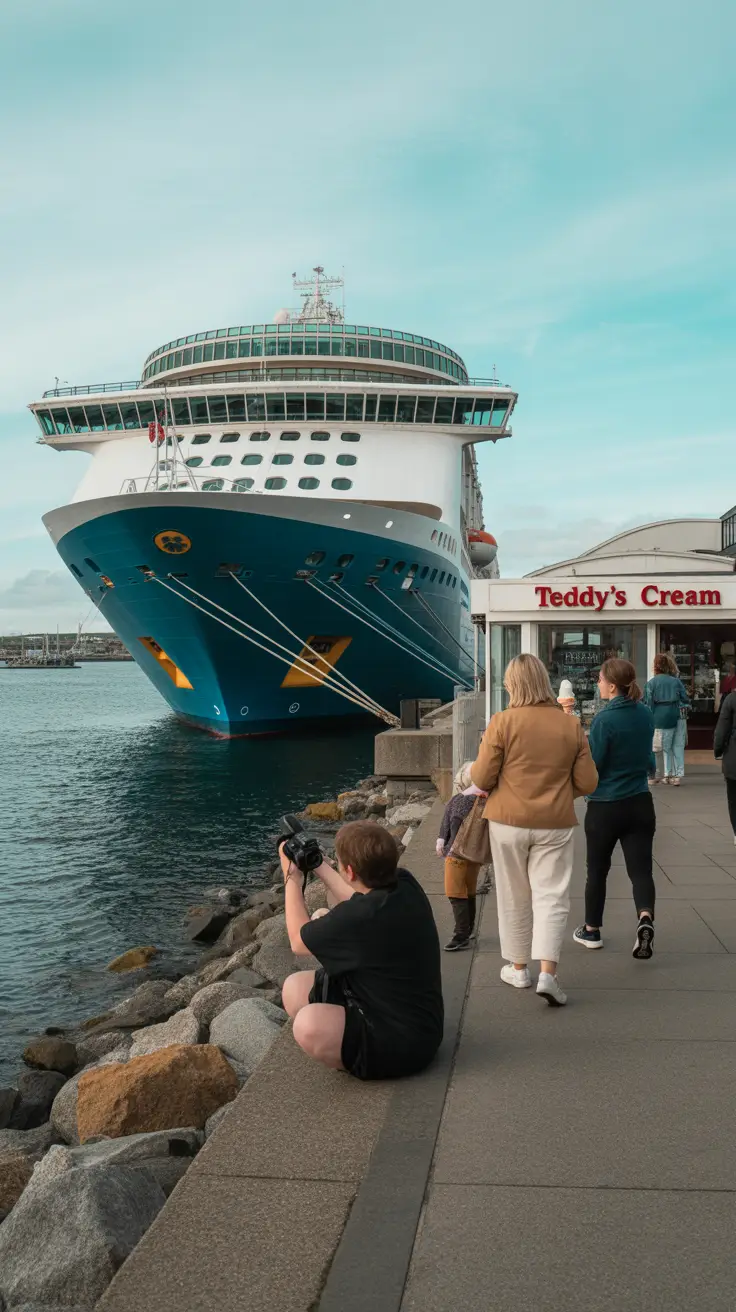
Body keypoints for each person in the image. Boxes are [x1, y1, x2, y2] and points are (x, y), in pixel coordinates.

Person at [469, 653, 598, 1006]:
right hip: (555, 822)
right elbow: (588, 782)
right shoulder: (570, 725)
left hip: (507, 822)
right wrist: (558, 793)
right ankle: (548, 974)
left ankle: (519, 967)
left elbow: (481, 778)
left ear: (513, 685)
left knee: (514, 894)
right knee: (552, 896)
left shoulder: (502, 722)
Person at [280, 820, 443, 1080]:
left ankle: (361, 1058)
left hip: (404, 1046)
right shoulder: (404, 882)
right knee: (293, 990)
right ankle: (347, 1042)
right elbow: (353, 893)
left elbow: (298, 941)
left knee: (307, 1025)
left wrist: (292, 877)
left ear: (350, 871)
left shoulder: (358, 918)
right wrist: (318, 864)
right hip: (418, 1022)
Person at [574, 658, 657, 959]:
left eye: (599, 679)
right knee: (641, 871)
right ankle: (645, 917)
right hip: (639, 803)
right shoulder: (645, 714)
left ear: (611, 685)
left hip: (605, 807)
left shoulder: (604, 720)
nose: (597, 684)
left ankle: (592, 930)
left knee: (597, 871)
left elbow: (595, 764)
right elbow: (649, 761)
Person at [435, 762, 488, 952]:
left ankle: (461, 934)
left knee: (455, 893)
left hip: (456, 854)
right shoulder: (486, 798)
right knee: (470, 890)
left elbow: (449, 826)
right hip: (475, 854)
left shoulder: (459, 800)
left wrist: (444, 844)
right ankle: (470, 929)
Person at [643, 653, 690, 785]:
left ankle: (662, 774)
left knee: (661, 748)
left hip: (659, 717)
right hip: (679, 716)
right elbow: (685, 699)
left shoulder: (651, 684)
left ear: (655, 667)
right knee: (677, 746)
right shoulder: (676, 682)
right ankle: (677, 775)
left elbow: (648, 703)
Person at [714, 687, 736, 845]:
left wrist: (718, 749)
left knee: (734, 798)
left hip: (734, 757)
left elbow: (722, 729)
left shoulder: (731, 699)